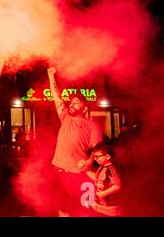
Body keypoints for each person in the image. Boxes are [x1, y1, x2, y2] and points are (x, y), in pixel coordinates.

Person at [47, 67, 102, 216]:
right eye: (71, 102)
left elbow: (98, 153)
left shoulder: (92, 126)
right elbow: (57, 98)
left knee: (85, 210)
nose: (71, 104)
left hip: (79, 175)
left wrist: (88, 162)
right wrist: (51, 77)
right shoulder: (65, 118)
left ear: (85, 108)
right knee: (63, 211)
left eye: (76, 102)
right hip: (60, 173)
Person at [83, 142, 122, 216]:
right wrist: (85, 170)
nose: (95, 159)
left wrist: (103, 193)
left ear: (107, 156)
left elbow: (117, 186)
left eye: (98, 156)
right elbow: (97, 178)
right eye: (94, 157)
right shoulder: (101, 167)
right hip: (100, 204)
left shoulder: (111, 170)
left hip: (110, 206)